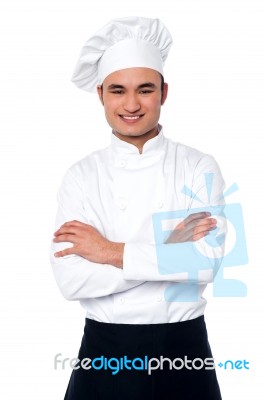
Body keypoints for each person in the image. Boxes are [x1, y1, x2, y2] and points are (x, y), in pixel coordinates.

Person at [50, 16, 225, 400]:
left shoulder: (198, 166)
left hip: (185, 353)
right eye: (118, 90)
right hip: (104, 353)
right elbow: (70, 281)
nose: (132, 105)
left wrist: (108, 252)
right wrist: (168, 252)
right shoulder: (81, 176)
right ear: (101, 94)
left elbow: (205, 264)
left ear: (164, 92)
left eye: (145, 90)